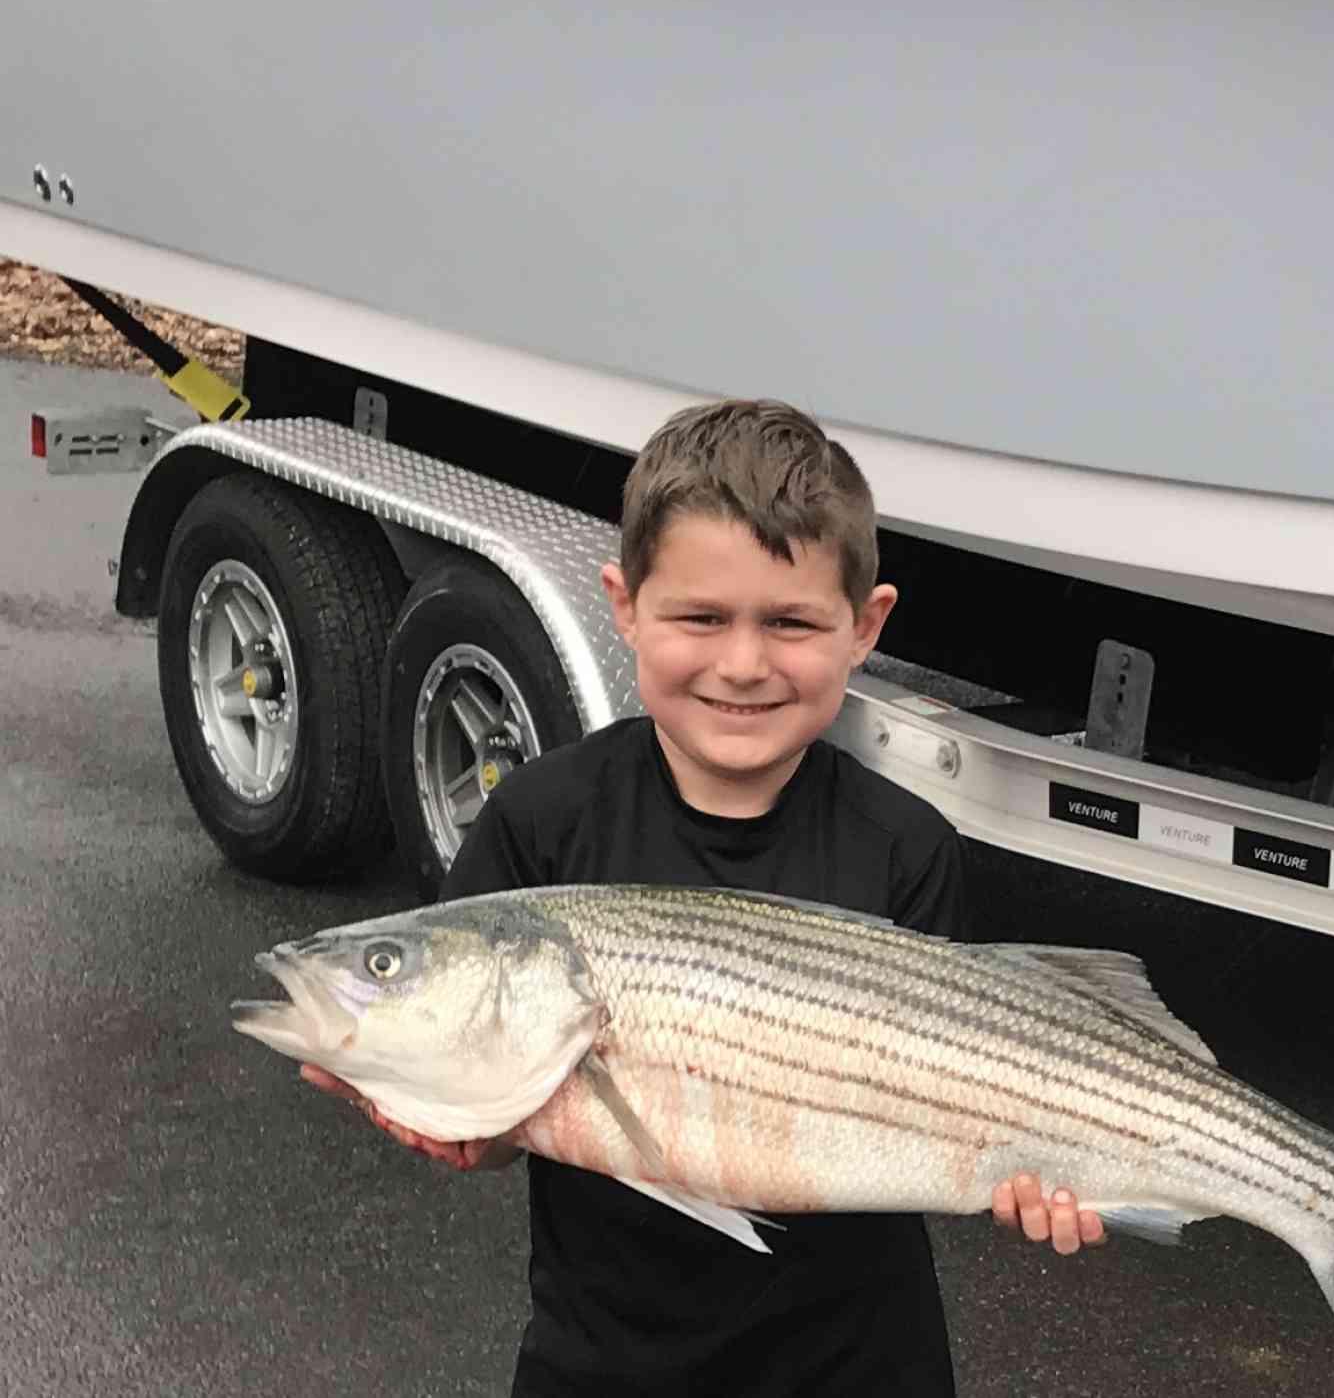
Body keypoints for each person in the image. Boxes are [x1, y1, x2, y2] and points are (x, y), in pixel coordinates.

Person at [306, 398, 1105, 1395]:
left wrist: (1037, 1175)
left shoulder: (908, 847)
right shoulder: (543, 820)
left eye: (790, 622)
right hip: (602, 1363)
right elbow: (508, 1106)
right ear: (625, 605)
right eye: (700, 616)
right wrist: (471, 1126)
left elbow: (954, 1102)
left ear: (866, 627)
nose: (741, 662)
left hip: (859, 1366)